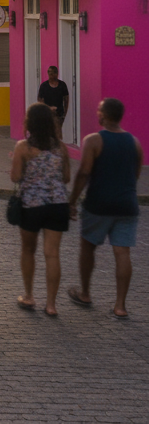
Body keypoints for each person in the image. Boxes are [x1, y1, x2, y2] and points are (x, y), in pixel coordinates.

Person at [67, 98, 143, 319]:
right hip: (127, 205)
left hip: (98, 204)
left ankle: (85, 293)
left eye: (99, 110)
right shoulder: (135, 142)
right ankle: (120, 306)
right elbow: (136, 174)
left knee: (88, 247)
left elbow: (83, 173)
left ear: (104, 115)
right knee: (123, 252)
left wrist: (72, 201)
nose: (97, 113)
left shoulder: (93, 141)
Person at [10, 102, 71, 315]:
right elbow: (66, 177)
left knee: (28, 250)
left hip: (31, 205)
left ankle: (29, 296)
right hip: (58, 204)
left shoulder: (23, 148)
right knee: (52, 254)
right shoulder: (61, 148)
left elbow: (15, 177)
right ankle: (51, 305)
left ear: (30, 122)